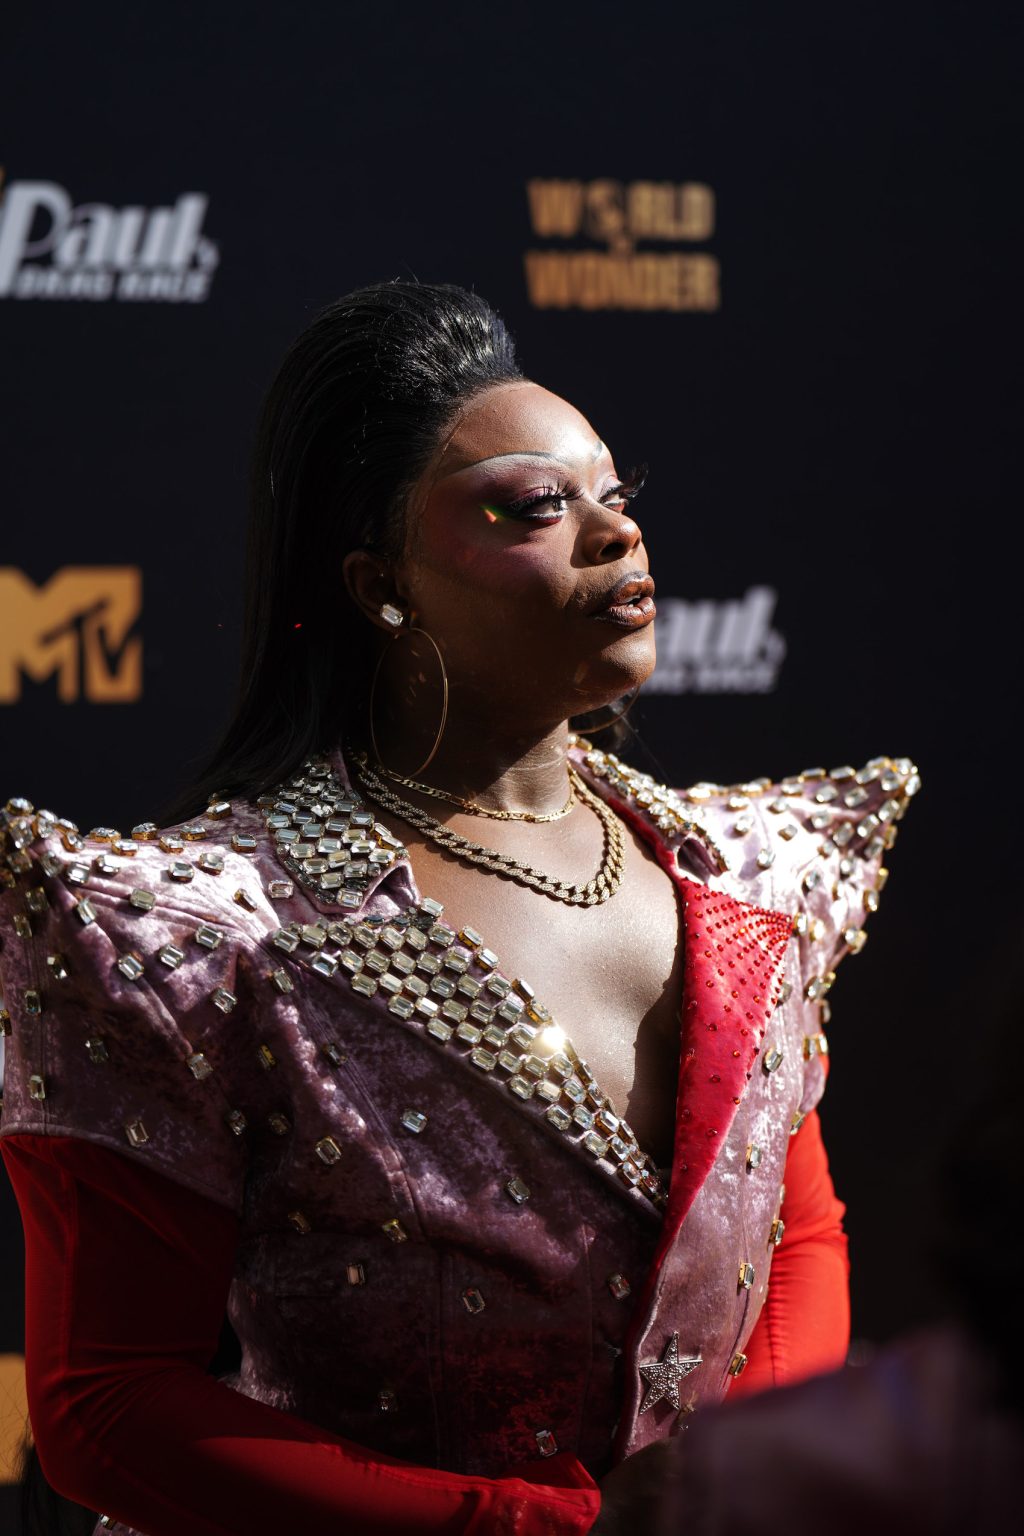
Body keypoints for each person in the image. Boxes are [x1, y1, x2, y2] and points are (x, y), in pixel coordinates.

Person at [0, 281, 919, 1536]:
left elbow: (798, 1237)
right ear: (384, 587)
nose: (615, 535)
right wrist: (538, 1529)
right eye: (538, 506)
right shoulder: (201, 939)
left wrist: (739, 1481)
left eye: (615, 495)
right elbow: (105, 1406)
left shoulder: (747, 879)